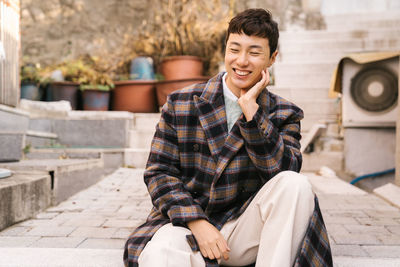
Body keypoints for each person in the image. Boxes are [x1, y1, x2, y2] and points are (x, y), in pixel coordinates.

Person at [124, 8, 332, 267]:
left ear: (272, 58)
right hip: (186, 225)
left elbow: (282, 174)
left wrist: (253, 116)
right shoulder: (181, 103)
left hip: (244, 230)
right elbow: (159, 173)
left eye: (254, 52)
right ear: (225, 50)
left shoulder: (284, 113)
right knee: (160, 253)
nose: (242, 61)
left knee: (295, 184)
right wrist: (197, 222)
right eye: (234, 49)